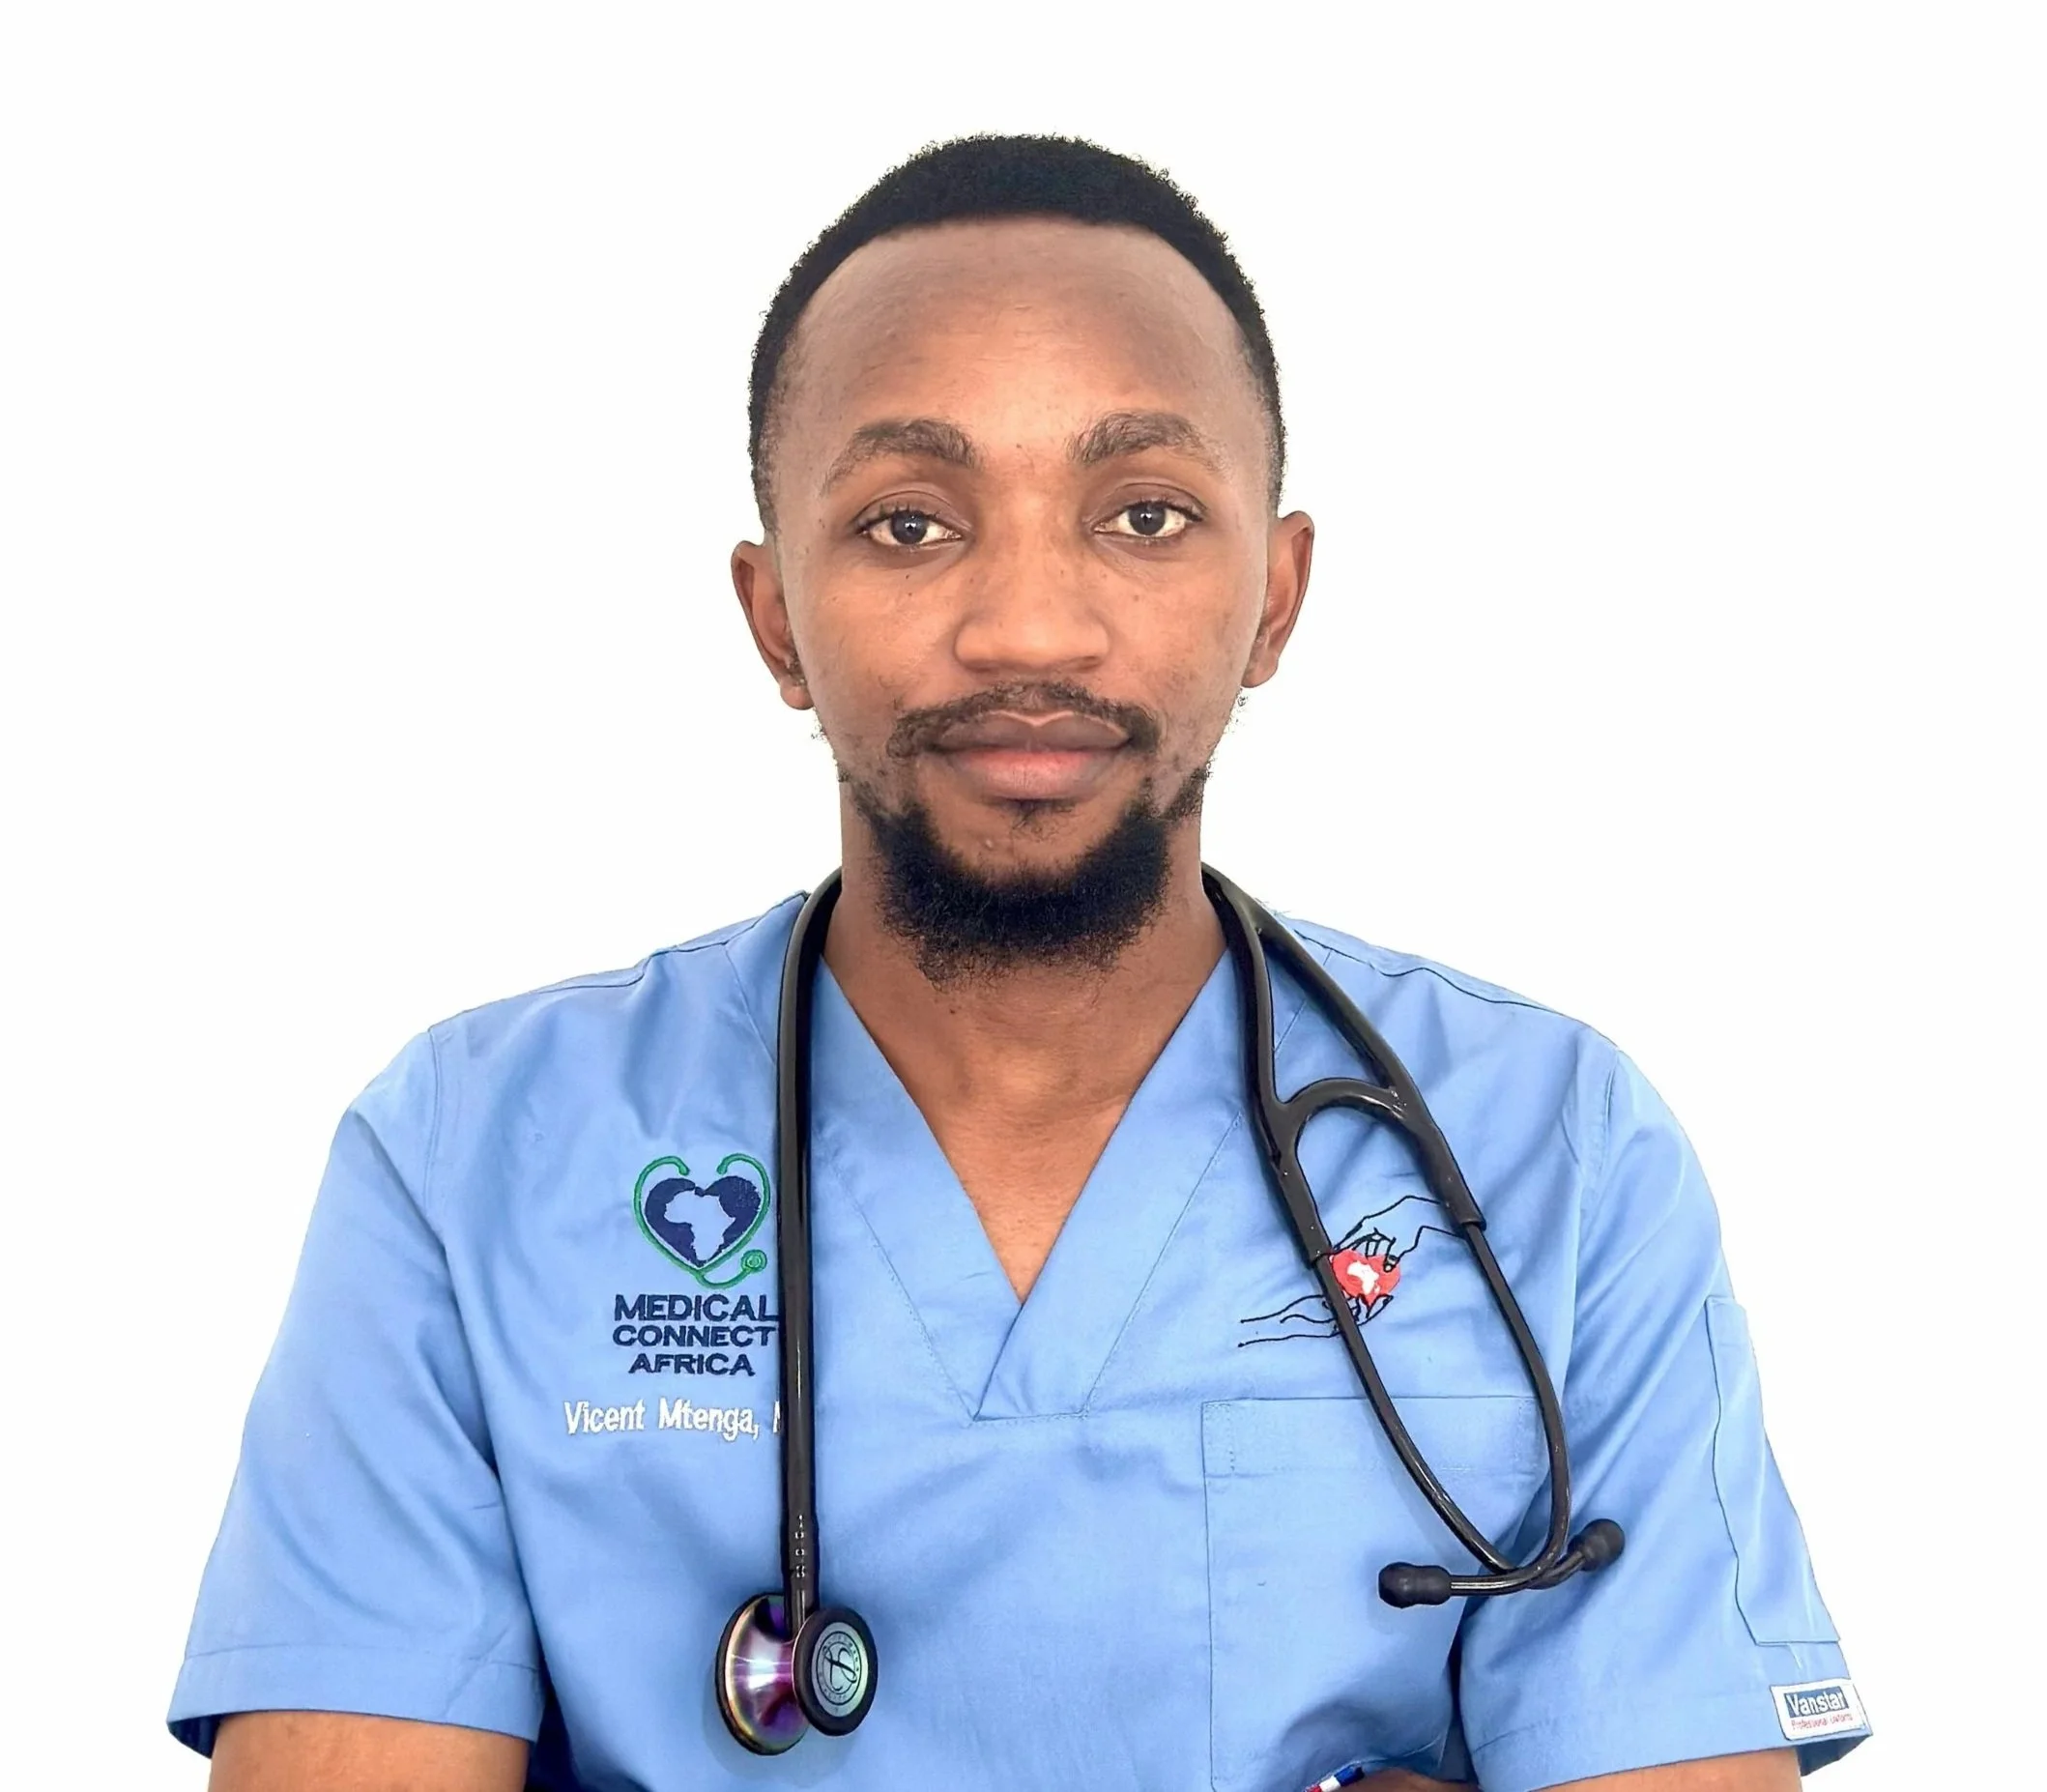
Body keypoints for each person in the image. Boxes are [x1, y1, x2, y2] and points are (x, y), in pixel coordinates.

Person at [169, 135, 1867, 1791]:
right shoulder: (476, 1154)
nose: (1031, 629)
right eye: (911, 524)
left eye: (1142, 512)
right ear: (776, 619)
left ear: (1275, 600)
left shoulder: (1545, 1146)